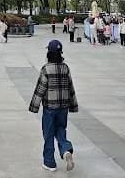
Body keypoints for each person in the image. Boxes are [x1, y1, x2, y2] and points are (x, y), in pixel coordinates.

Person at [29, 40, 77, 172]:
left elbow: (41, 89)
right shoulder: (65, 68)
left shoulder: (46, 69)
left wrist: (34, 106)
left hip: (50, 107)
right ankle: (66, 150)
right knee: (61, 129)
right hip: (63, 107)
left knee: (48, 133)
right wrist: (73, 105)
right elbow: (70, 88)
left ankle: (49, 162)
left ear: (49, 53)